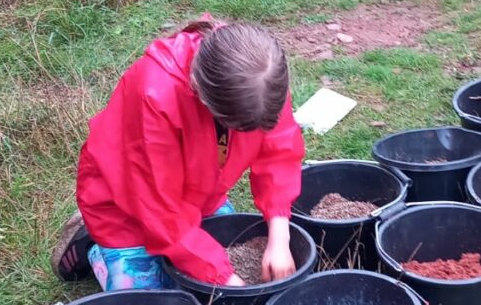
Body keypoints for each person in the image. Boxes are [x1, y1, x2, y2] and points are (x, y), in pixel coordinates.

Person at [51, 17, 305, 289]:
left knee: (205, 278)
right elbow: (156, 207)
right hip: (126, 209)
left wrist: (280, 236)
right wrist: (226, 281)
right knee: (153, 302)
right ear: (200, 93)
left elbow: (279, 152)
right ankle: (95, 248)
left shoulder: (261, 80)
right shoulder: (155, 96)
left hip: (200, 198)